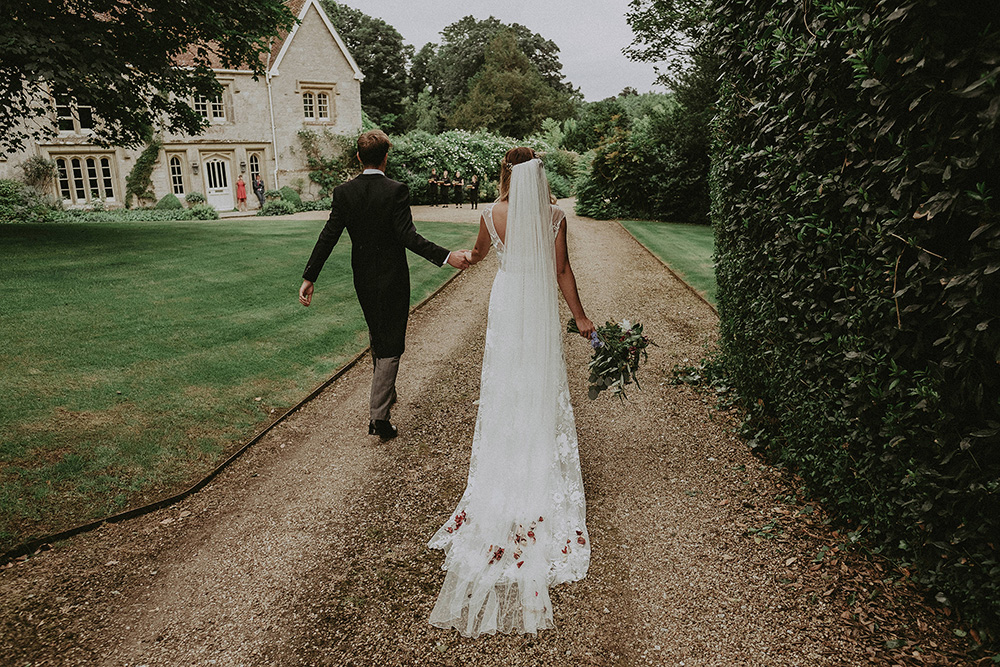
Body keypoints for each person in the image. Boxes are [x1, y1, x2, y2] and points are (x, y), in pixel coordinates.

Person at [428, 147, 596, 637]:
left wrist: (461, 257)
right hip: (539, 304)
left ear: (505, 175)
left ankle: (507, 461)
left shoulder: (490, 214)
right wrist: (581, 318)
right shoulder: (555, 216)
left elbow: (478, 257)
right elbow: (562, 272)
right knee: (538, 382)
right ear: (538, 176)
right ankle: (537, 458)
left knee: (507, 384)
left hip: (508, 302)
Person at [299, 130, 471, 440]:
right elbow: (408, 237)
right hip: (392, 277)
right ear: (386, 157)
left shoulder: (344, 192)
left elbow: (329, 236)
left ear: (358, 157)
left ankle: (385, 395)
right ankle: (379, 417)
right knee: (391, 341)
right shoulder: (396, 190)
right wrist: (447, 256)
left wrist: (310, 276)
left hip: (362, 276)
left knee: (379, 334)